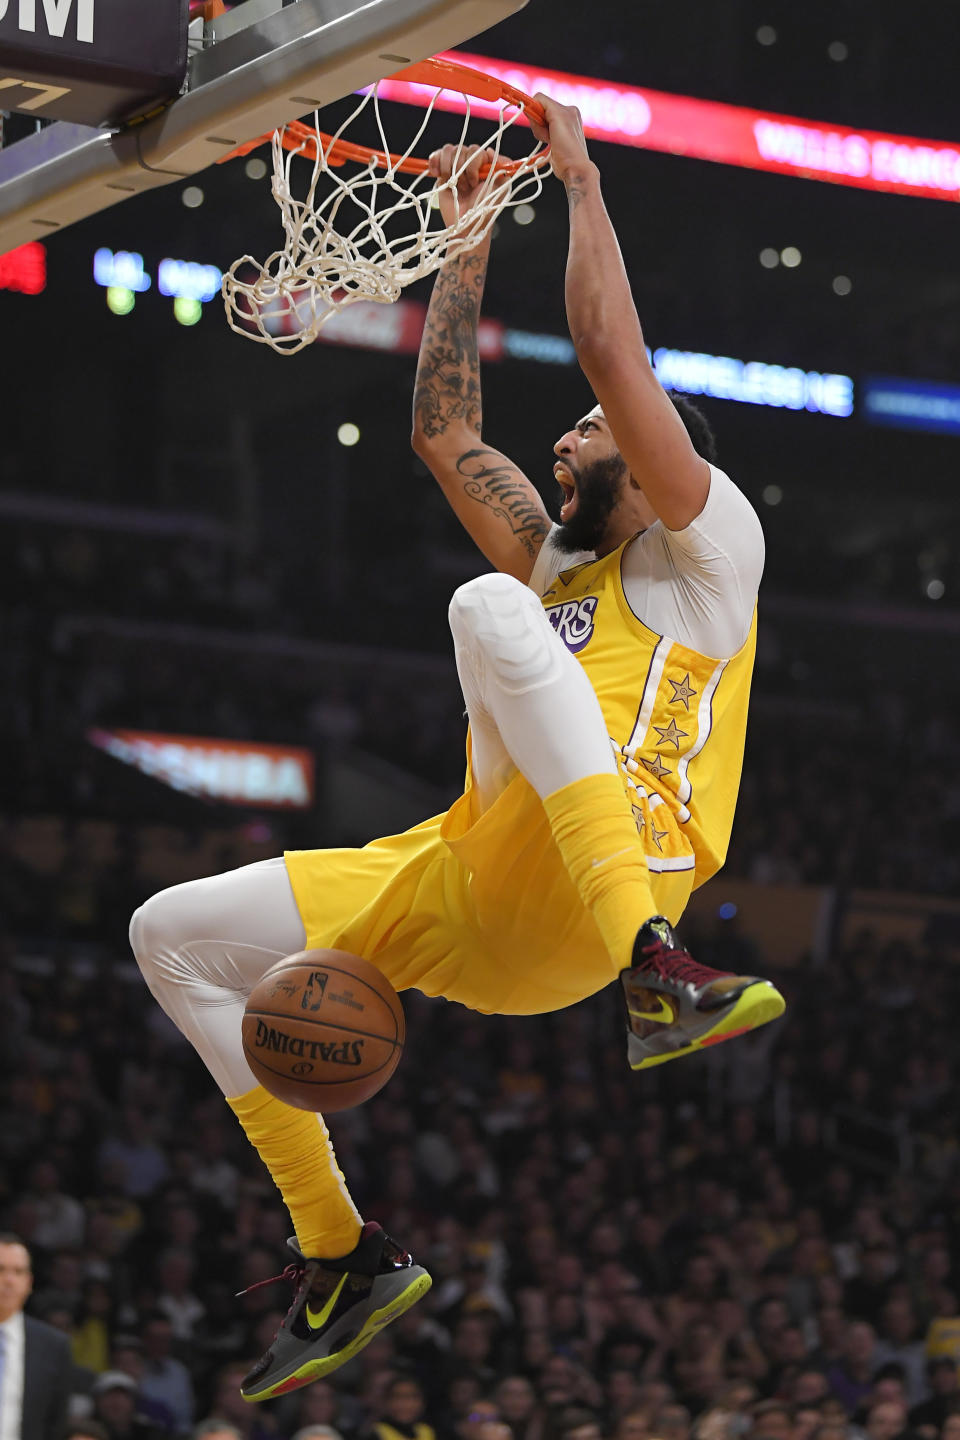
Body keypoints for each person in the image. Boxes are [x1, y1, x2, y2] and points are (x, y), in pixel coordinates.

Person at [129, 97, 784, 1405]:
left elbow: (608, 347)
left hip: (602, 892)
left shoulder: (712, 552)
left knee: (488, 609)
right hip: (464, 883)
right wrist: (468, 234)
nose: (565, 440)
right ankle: (342, 1253)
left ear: (659, 463)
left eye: (591, 435)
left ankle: (659, 972)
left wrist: (581, 180)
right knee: (169, 935)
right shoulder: (564, 562)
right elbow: (444, 436)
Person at [0, 1232, 74, 1440]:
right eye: (1, 1269)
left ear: (29, 1282)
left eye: (18, 1271)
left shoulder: (53, 1346)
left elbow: (57, 1424)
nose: (9, 1280)